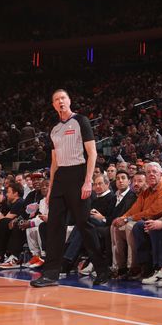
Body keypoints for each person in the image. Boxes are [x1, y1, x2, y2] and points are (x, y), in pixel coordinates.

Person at [31, 89, 110, 288]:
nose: (60, 101)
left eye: (63, 98)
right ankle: (50, 274)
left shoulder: (81, 121)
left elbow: (92, 153)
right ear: (53, 105)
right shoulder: (54, 129)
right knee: (54, 226)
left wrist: (88, 181)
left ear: (69, 100)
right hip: (60, 179)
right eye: (56, 99)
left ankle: (103, 269)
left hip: (78, 174)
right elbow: (54, 162)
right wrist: (50, 190)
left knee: (84, 224)